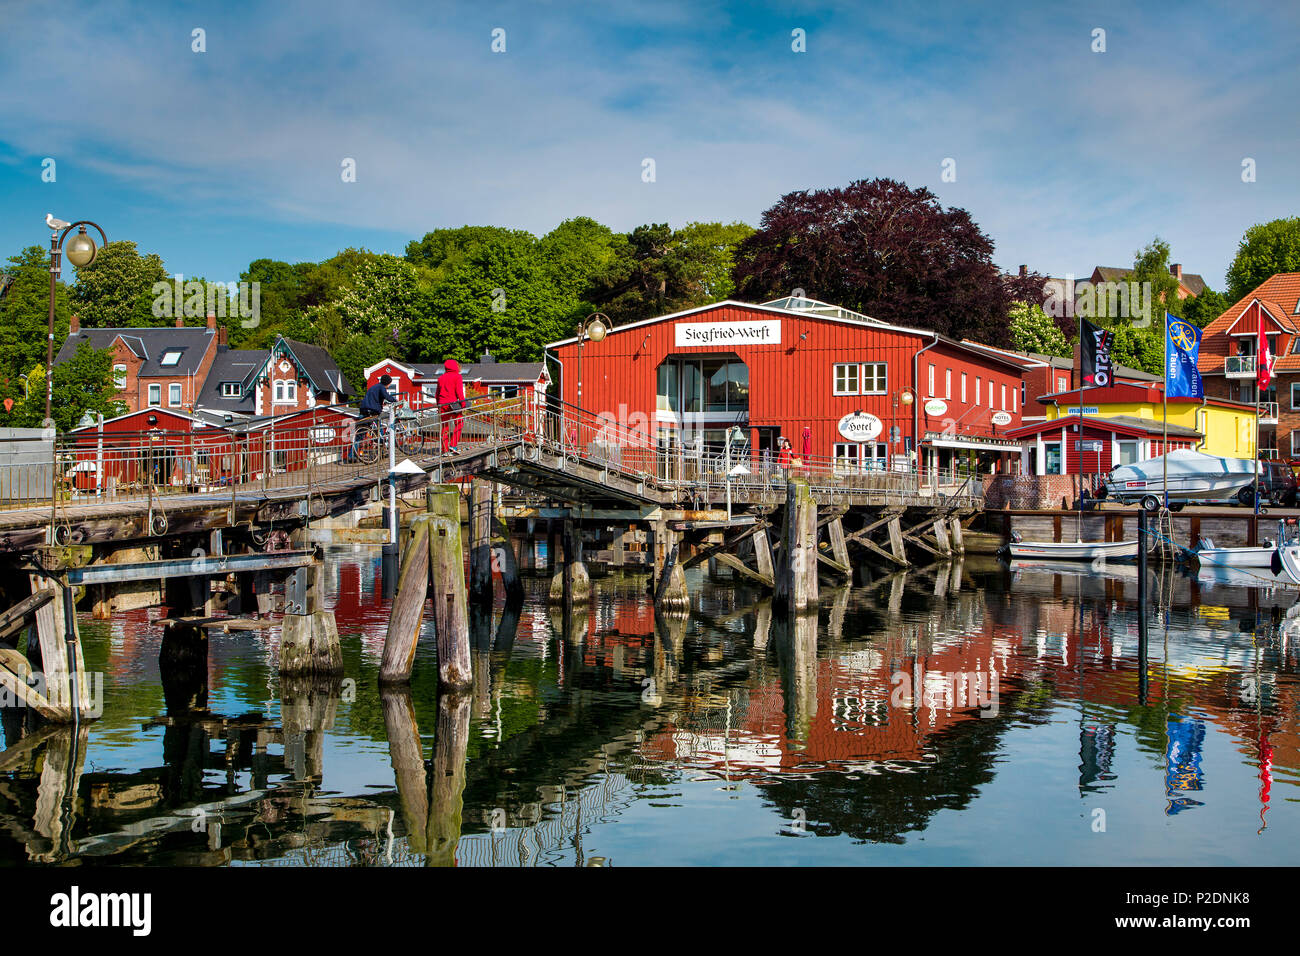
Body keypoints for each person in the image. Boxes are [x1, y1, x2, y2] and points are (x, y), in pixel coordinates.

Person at [437, 358, 467, 452]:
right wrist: (463, 404)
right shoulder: (457, 377)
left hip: (442, 404)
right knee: (459, 423)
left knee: (445, 427)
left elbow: (437, 394)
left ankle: (444, 449)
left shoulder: (441, 377)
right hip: (453, 405)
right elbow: (459, 392)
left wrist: (438, 404)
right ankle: (453, 445)